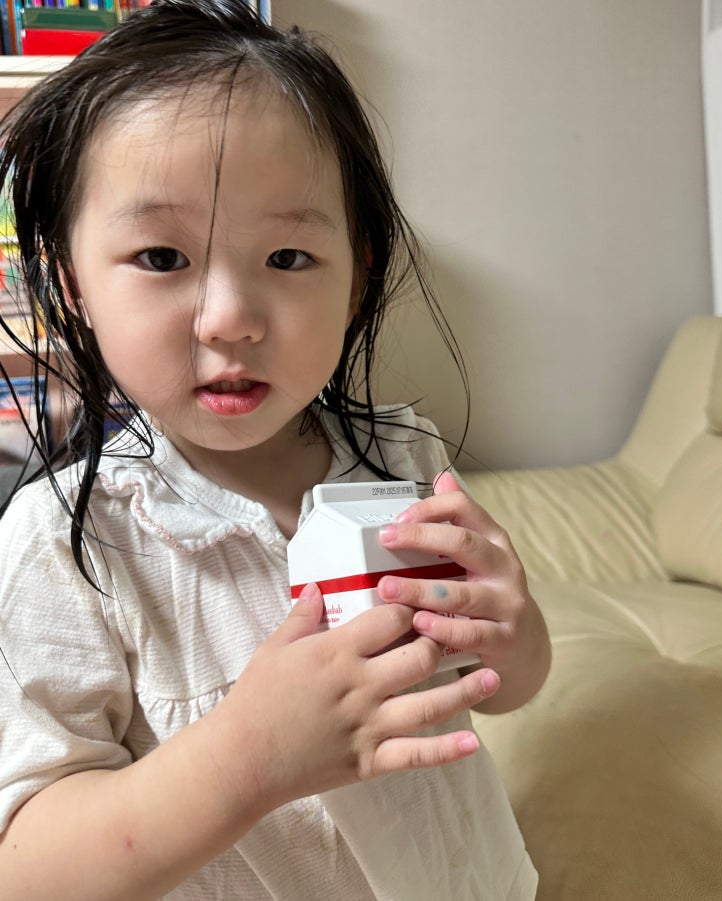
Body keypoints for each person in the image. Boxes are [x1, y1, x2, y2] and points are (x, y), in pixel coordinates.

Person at [0, 1, 551, 898]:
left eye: (288, 257)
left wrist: (514, 635)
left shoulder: (404, 457)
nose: (229, 319)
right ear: (73, 283)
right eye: (162, 257)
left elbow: (500, 683)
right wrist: (245, 758)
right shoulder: (64, 545)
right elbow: (24, 866)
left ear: (356, 276)